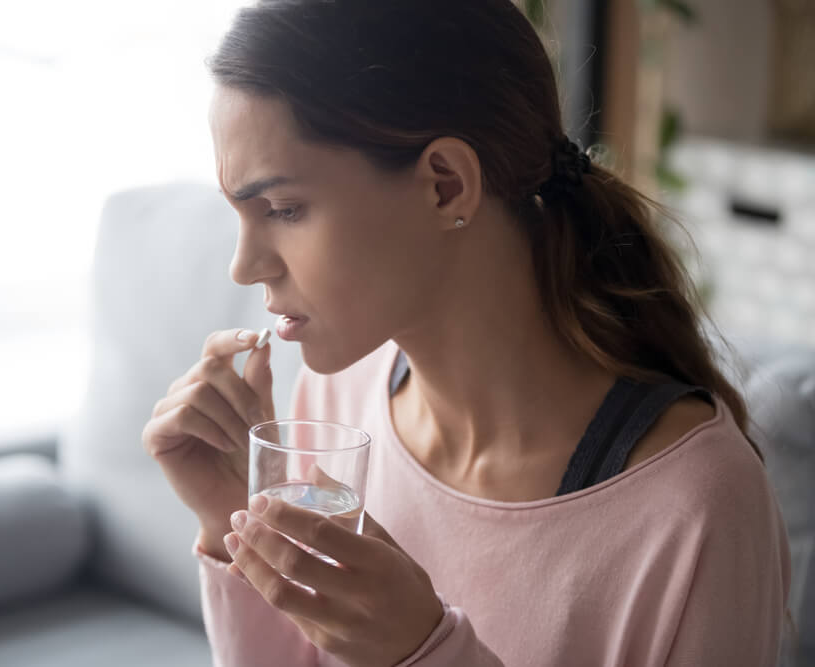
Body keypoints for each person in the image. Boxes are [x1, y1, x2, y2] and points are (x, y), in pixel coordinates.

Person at [141, 1, 792, 665]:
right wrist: (230, 525)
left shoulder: (697, 506)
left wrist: (423, 650)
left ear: (446, 185)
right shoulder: (337, 409)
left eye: (282, 208)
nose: (244, 265)